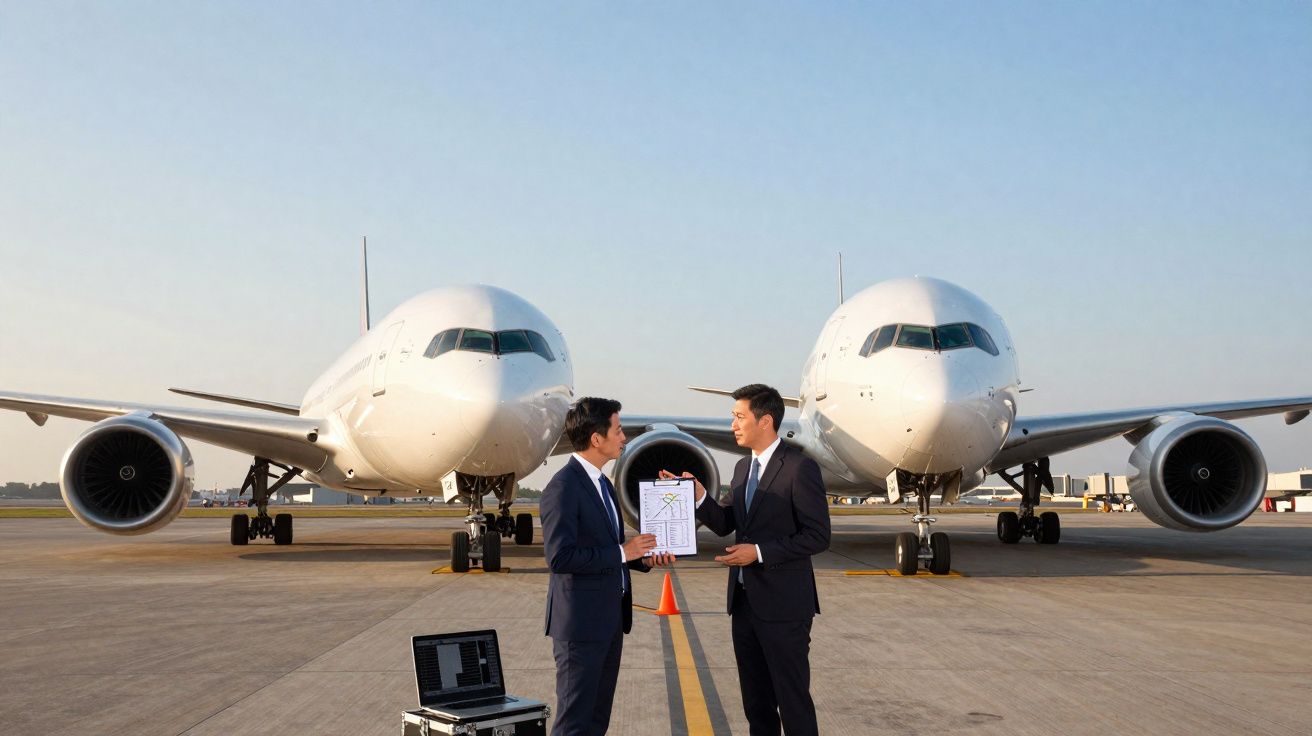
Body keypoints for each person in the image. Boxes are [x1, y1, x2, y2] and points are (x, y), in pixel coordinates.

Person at [660, 383, 830, 736]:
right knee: (756, 703)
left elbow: (817, 535)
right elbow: (726, 523)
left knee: (793, 702)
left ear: (765, 421)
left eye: (739, 417)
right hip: (744, 604)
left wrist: (759, 552)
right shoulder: (742, 469)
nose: (732, 425)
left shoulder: (799, 468)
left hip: (784, 608)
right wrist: (698, 496)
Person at [541, 397, 675, 736]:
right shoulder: (563, 487)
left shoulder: (602, 484)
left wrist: (642, 557)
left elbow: (609, 550)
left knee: (596, 722)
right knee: (573, 724)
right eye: (618, 430)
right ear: (596, 439)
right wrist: (622, 552)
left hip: (609, 622)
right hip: (581, 628)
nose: (624, 438)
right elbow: (560, 558)